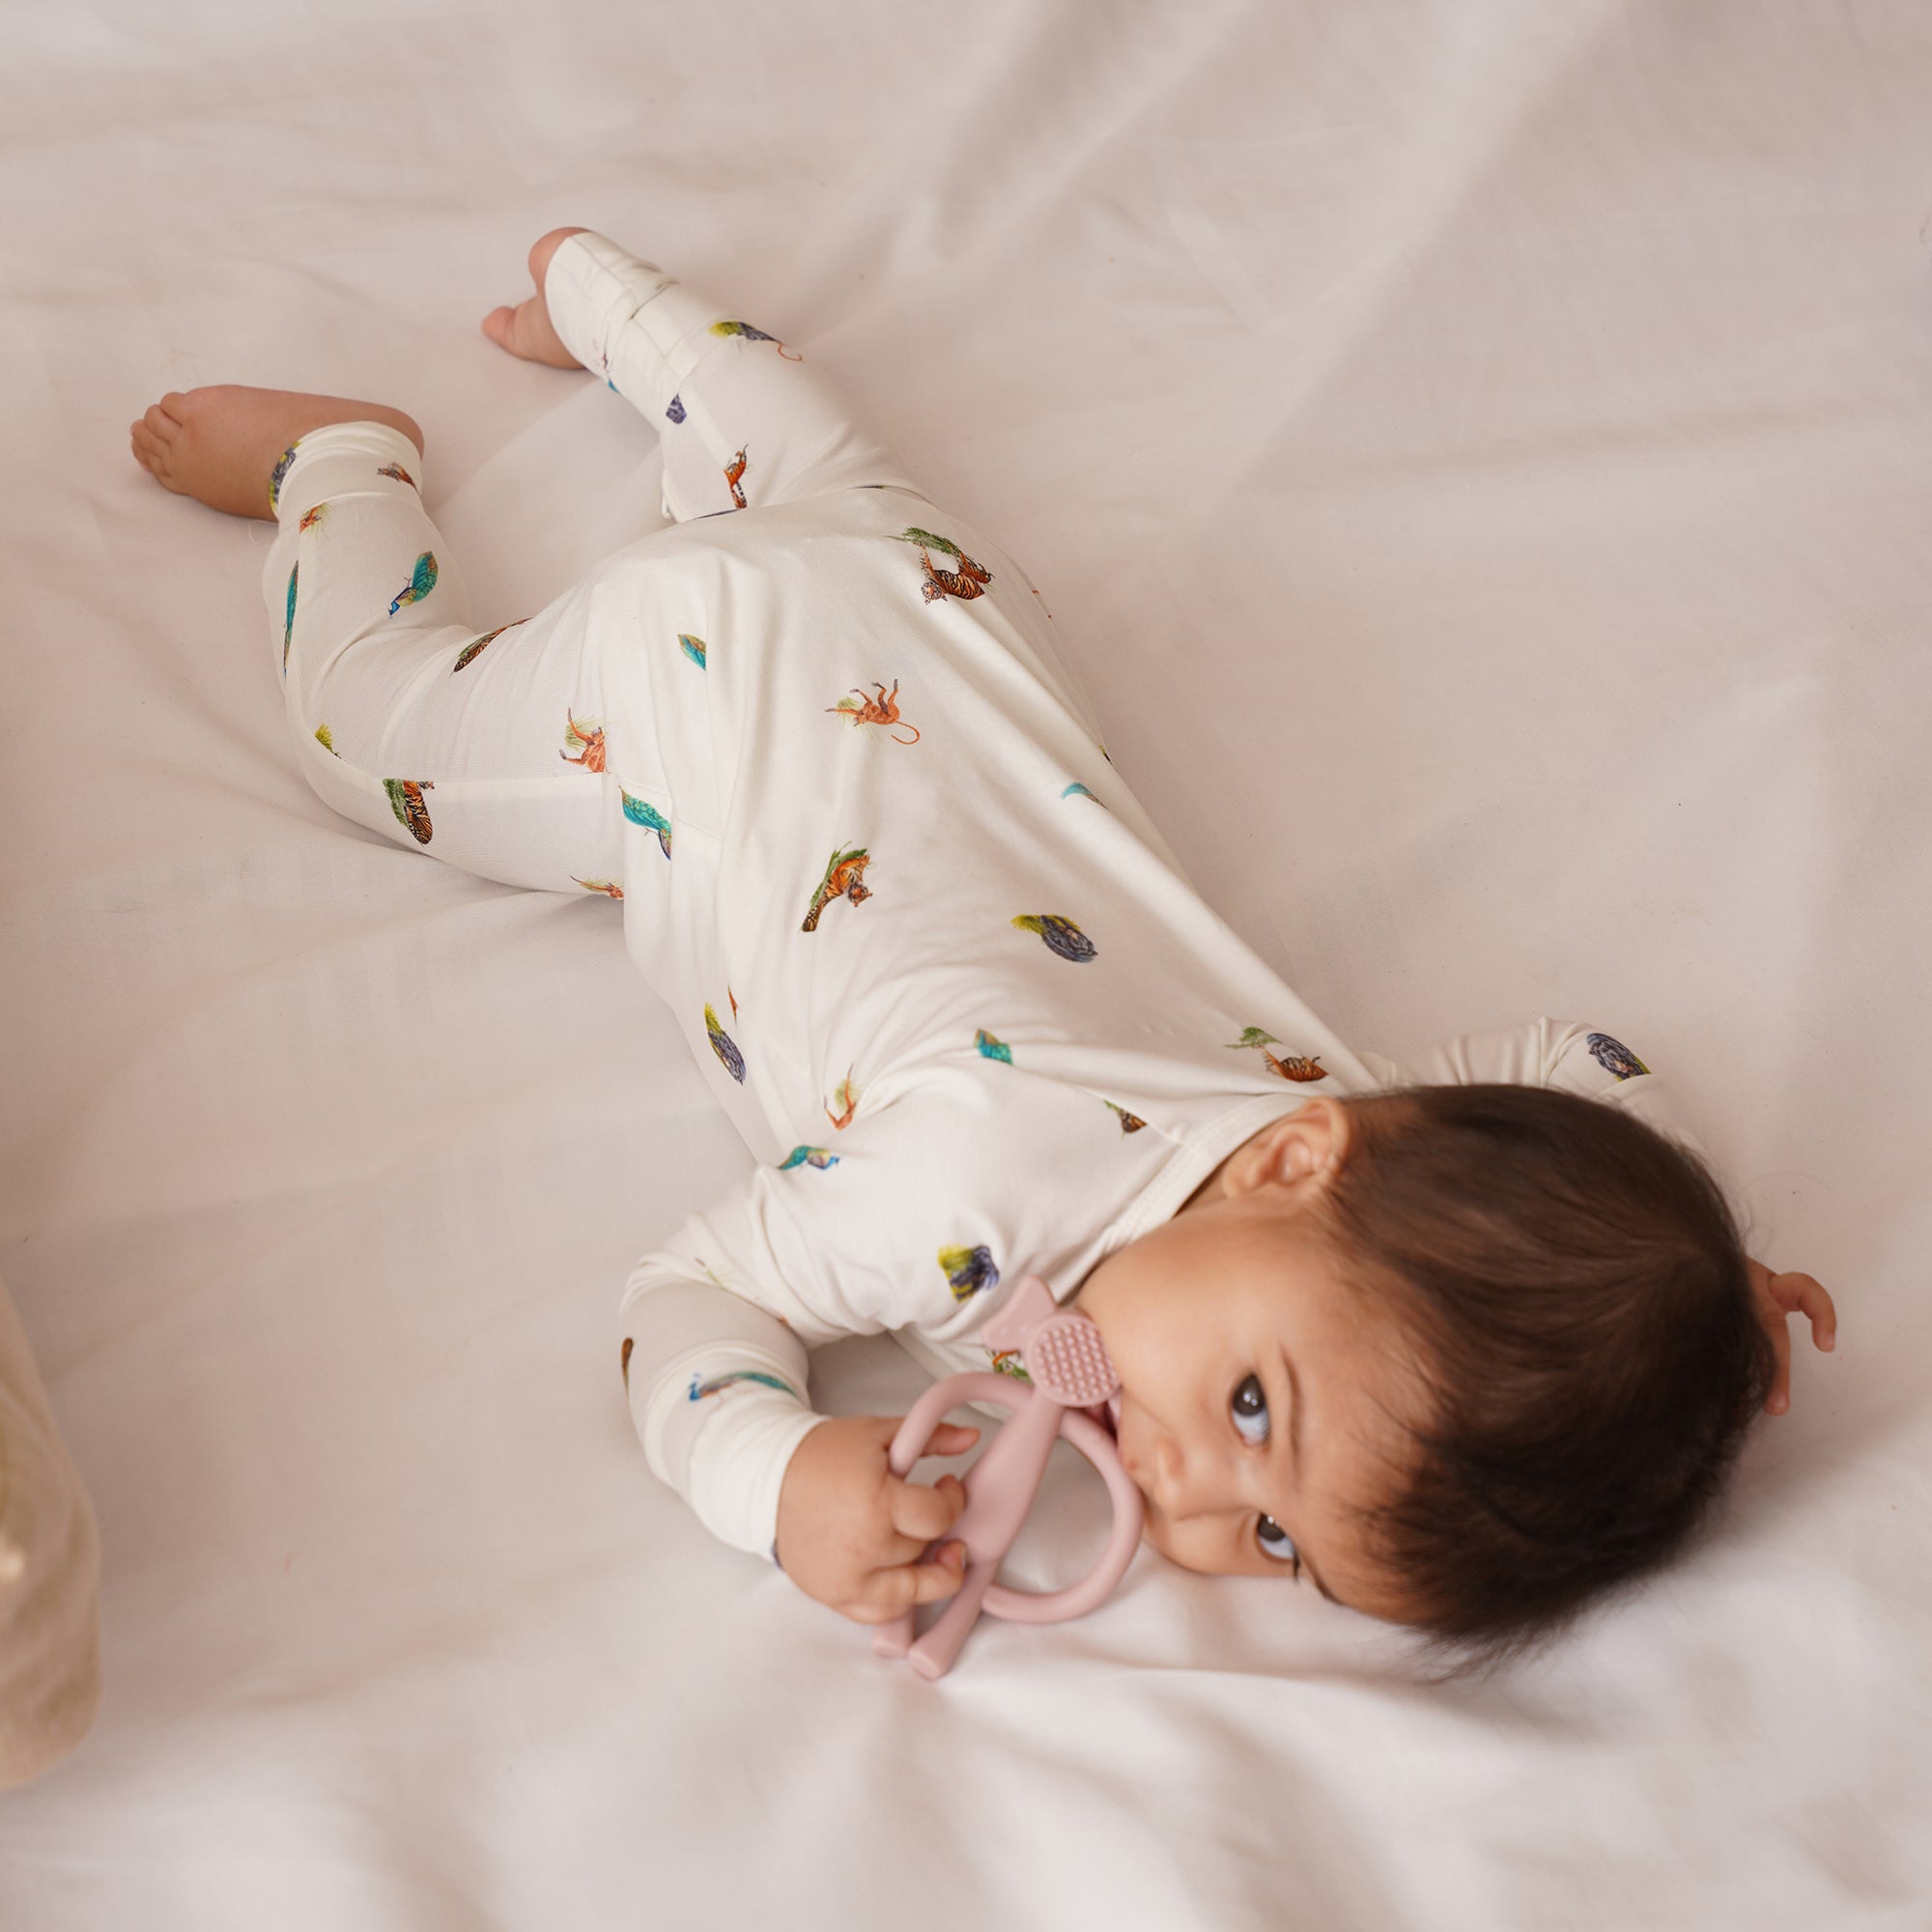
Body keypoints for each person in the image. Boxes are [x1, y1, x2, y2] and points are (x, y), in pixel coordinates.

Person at [128, 227, 1835, 1672]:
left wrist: (1682, 1299)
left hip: (925, 598)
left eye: (1279, 1547)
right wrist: (775, 1475)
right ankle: (338, 470)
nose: (1184, 1494)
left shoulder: (1345, 1126)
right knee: (374, 738)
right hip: (667, 701)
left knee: (805, 462)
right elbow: (689, 1299)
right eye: (1253, 1413)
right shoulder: (957, 1199)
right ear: (1294, 1166)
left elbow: (1576, 1060)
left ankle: (607, 296)